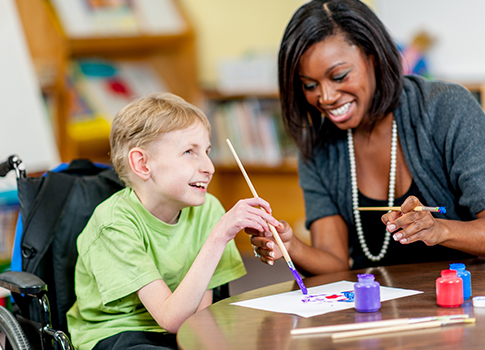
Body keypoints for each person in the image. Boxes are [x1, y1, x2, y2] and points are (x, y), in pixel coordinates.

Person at [250, 0, 485, 273]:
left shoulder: (446, 108)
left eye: (339, 76)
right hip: (374, 307)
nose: (325, 98)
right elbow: (334, 261)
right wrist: (290, 245)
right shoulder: (318, 145)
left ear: (373, 57)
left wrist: (440, 230)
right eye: (310, 85)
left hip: (462, 301)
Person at [66, 92, 283, 350]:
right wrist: (219, 235)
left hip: (182, 326)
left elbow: (198, 321)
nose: (209, 167)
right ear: (142, 163)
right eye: (190, 151)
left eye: (207, 151)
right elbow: (172, 320)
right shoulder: (114, 224)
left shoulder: (208, 209)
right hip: (120, 333)